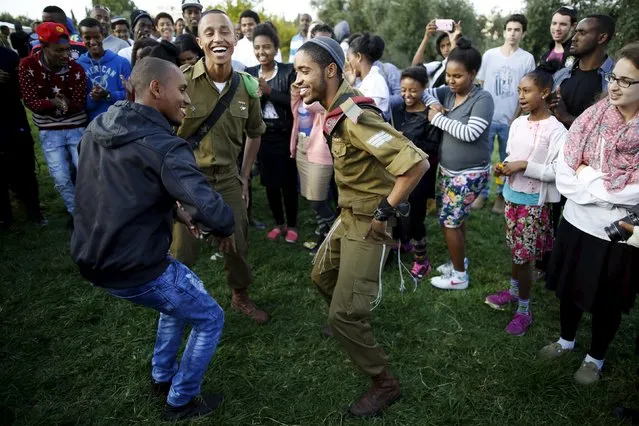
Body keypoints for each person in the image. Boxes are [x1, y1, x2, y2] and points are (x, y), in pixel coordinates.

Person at [70, 57, 236, 421]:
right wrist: (222, 224)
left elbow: (121, 194)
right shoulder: (164, 146)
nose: (187, 100)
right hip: (135, 267)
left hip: (91, 258)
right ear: (155, 89)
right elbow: (215, 212)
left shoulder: (99, 125)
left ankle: (162, 376)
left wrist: (175, 211)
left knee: (179, 298)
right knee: (209, 317)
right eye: (181, 89)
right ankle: (181, 401)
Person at [295, 36, 429, 417]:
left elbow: (415, 164)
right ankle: (347, 320)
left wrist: (383, 215)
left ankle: (384, 383)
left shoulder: (355, 114)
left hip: (369, 221)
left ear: (331, 70)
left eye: (305, 71)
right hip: (348, 214)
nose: (297, 80)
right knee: (322, 277)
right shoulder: (336, 108)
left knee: (344, 314)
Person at [538, 42, 639, 385]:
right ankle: (566, 340)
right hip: (576, 220)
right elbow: (565, 165)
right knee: (569, 287)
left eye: (626, 81)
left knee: (607, 298)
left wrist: (587, 177)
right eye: (614, 77)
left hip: (618, 230)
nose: (614, 85)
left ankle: (595, 357)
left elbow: (634, 191)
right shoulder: (593, 116)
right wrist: (598, 188)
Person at [172, 10, 269, 324]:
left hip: (227, 179)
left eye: (225, 32)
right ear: (200, 41)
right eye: (210, 33)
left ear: (236, 38)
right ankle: (178, 304)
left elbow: (255, 132)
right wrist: (170, 187)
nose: (218, 39)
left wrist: (243, 178)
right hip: (188, 181)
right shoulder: (181, 81)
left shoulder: (248, 87)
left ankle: (240, 295)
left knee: (237, 246)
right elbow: (161, 137)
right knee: (181, 251)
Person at [484, 70, 567, 336]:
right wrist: (505, 166)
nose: (521, 96)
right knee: (516, 252)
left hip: (534, 203)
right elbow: (511, 155)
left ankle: (524, 310)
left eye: (527, 91)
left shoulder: (557, 131)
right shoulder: (518, 123)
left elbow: (557, 171)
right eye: (519, 90)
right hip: (512, 198)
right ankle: (512, 292)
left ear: (544, 93)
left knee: (524, 258)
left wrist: (524, 166)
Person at [425, 37, 495, 290]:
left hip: (469, 174)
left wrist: (437, 119)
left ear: (473, 74)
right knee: (458, 218)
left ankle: (459, 276)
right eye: (448, 75)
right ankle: (459, 260)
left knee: (449, 222)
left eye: (458, 76)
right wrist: (433, 102)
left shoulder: (482, 99)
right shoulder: (447, 93)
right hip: (448, 170)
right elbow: (424, 91)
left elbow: (470, 133)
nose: (450, 81)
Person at [18, 22, 87, 225]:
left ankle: (92, 212)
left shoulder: (75, 68)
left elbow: (79, 102)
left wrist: (61, 105)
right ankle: (77, 216)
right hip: (49, 131)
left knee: (86, 173)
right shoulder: (27, 66)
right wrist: (53, 103)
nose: (65, 55)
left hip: (76, 127)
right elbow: (30, 101)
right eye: (59, 50)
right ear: (44, 46)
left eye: (67, 50)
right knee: (61, 178)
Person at [473, 14, 536, 214]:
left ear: (523, 33)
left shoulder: (527, 59)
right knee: (483, 158)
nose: (512, 33)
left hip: (512, 120)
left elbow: (527, 90)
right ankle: (481, 194)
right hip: (487, 119)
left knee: (506, 161)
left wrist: (516, 117)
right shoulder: (490, 55)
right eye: (509, 29)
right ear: (503, 31)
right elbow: (481, 86)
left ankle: (501, 195)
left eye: (517, 30)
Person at [245, 24, 299, 242]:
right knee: (269, 183)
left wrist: (269, 91)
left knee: (287, 182)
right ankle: (279, 222)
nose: (261, 52)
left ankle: (293, 224)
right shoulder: (248, 74)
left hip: (285, 135)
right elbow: (246, 106)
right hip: (262, 136)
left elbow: (294, 103)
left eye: (266, 47)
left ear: (276, 48)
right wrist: (255, 96)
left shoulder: (288, 72)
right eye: (257, 48)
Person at [391, 66, 442, 278]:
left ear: (424, 89)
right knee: (396, 209)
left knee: (415, 217)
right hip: (397, 170)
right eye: (403, 90)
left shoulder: (431, 115)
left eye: (413, 90)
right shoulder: (398, 109)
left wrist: (406, 140)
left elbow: (432, 147)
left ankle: (422, 260)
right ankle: (403, 243)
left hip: (420, 174)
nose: (407, 95)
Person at [0, 46, 46, 229]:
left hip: (13, 119)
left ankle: (34, 212)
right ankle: (5, 218)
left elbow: (22, 91)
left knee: (25, 168)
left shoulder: (8, 55)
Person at [552, 15, 616, 129]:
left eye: (582, 33)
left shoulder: (616, 80)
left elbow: (611, 130)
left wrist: (566, 117)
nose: (573, 38)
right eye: (575, 32)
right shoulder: (560, 75)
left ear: (601, 38)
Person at [77, 18, 132, 121]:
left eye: (96, 37)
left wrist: (108, 95)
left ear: (102, 35)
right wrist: (92, 98)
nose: (92, 42)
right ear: (81, 38)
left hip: (120, 122)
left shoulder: (121, 62)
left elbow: (130, 95)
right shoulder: (78, 66)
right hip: (93, 126)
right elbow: (80, 104)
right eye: (87, 38)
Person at [345, 32, 389, 115]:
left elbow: (359, 117)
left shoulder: (375, 81)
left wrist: (347, 88)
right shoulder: (364, 82)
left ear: (358, 57)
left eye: (348, 58)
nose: (348, 63)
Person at [412, 19, 462, 88]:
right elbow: (415, 67)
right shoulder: (437, 65)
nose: (446, 49)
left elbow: (453, 62)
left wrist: (454, 39)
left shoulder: (461, 65)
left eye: (449, 44)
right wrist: (426, 37)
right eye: (442, 46)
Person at [538, 6, 578, 74]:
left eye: (563, 24)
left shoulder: (578, 54)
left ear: (573, 26)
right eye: (554, 23)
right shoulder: (545, 56)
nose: (557, 28)